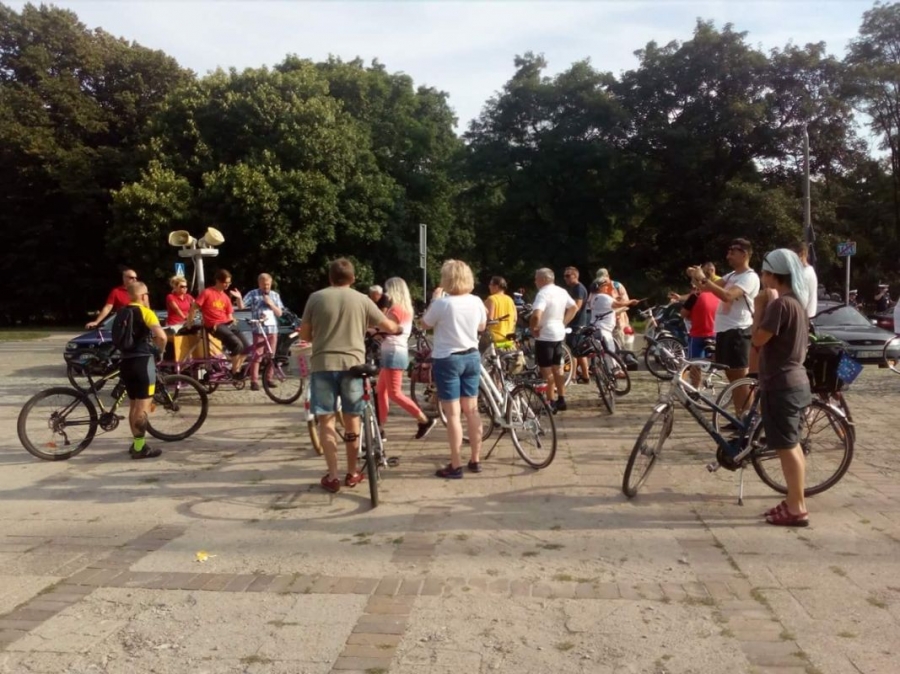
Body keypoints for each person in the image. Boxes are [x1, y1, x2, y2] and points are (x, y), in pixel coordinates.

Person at [299, 259, 400, 493]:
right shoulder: (362, 300)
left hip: (323, 364)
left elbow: (305, 334)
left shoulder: (316, 298)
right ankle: (353, 472)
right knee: (353, 418)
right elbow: (387, 325)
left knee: (326, 421)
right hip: (353, 366)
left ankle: (333, 476)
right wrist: (397, 328)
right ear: (353, 279)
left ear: (330, 277)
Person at [752, 249, 812, 526]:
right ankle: (792, 500)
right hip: (796, 382)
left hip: (781, 384)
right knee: (792, 446)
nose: (762, 278)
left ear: (773, 276)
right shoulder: (797, 303)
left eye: (764, 273)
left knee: (787, 448)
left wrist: (759, 307)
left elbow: (758, 339)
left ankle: (797, 508)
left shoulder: (779, 305)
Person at [421, 260, 487, 478]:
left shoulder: (443, 304)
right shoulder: (476, 301)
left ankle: (456, 464)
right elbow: (481, 326)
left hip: (448, 358)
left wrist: (434, 299)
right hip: (472, 355)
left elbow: (425, 324)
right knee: (472, 410)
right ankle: (475, 459)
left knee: (453, 414)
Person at [688, 238, 760, 417]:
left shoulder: (749, 277)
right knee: (732, 377)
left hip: (739, 330)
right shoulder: (731, 275)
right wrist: (695, 276)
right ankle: (739, 417)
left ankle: (747, 419)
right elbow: (705, 289)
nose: (728, 256)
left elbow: (727, 295)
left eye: (732, 253)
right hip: (724, 331)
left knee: (741, 377)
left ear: (744, 254)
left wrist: (703, 278)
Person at [376, 277, 437, 440]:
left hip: (393, 352)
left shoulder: (395, 310)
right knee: (381, 391)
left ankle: (424, 419)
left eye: (387, 290)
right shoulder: (405, 309)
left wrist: (371, 328)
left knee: (394, 393)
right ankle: (380, 428)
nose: (386, 294)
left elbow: (384, 328)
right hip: (393, 352)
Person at [117, 282, 168, 459]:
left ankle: (136, 443)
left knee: (133, 406)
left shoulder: (122, 312)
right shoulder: (146, 312)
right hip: (143, 364)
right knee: (142, 407)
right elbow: (161, 336)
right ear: (143, 296)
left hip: (125, 362)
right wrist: (160, 351)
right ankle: (140, 448)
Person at [530, 268, 578, 412]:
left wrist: (533, 328)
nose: (535, 282)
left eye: (536, 279)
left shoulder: (542, 294)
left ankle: (550, 401)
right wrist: (563, 322)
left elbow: (536, 315)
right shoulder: (562, 291)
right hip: (558, 333)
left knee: (546, 370)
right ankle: (561, 399)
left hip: (545, 335)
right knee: (558, 368)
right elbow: (574, 307)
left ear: (543, 279)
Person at [192, 269, 249, 377]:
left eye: (229, 283)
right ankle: (235, 372)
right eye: (225, 282)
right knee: (237, 345)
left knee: (247, 348)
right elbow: (194, 307)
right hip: (214, 325)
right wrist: (189, 322)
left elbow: (229, 314)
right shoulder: (207, 292)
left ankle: (234, 369)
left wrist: (233, 319)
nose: (227, 285)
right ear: (218, 281)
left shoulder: (225, 297)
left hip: (226, 324)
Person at [242, 273, 286, 391]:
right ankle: (254, 381)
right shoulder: (253, 294)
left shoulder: (275, 295)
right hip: (259, 330)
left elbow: (279, 313)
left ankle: (269, 379)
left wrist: (271, 304)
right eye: (264, 284)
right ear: (259, 284)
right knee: (257, 356)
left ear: (271, 284)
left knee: (271, 355)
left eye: (268, 284)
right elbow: (241, 305)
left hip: (272, 330)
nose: (266, 287)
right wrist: (238, 298)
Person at [680, 282, 720, 387]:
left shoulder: (695, 296)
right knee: (715, 361)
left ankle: (695, 389)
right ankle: (710, 377)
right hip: (714, 333)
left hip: (697, 335)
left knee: (694, 364)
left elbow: (683, 314)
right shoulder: (717, 294)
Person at [563, 267, 590, 383]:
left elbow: (576, 307)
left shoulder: (578, 289)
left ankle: (572, 377)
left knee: (572, 351)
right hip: (578, 323)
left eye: (568, 276)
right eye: (564, 276)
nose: (565, 278)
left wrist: (565, 320)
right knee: (579, 352)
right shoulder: (575, 288)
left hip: (576, 324)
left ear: (575, 275)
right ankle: (585, 376)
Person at [483, 276, 517, 344]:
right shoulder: (510, 299)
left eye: (490, 284)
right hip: (508, 338)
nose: (489, 286)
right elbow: (515, 319)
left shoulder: (491, 299)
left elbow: (489, 320)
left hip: (494, 339)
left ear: (496, 287)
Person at [790, 240, 817, 319]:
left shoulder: (804, 274)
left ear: (801, 254)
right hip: (806, 317)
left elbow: (802, 300)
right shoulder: (810, 271)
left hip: (801, 318)